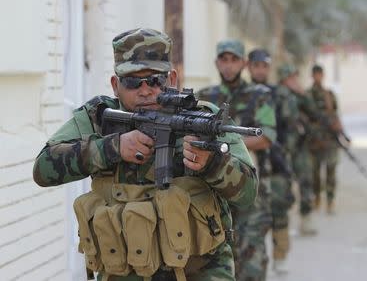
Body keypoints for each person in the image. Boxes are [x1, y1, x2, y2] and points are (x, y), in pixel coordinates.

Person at [33, 28, 258, 281]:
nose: (145, 90)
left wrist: (213, 164)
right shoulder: (98, 118)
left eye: (155, 81)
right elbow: (43, 168)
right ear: (116, 85)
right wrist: (111, 148)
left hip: (201, 272)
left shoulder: (203, 118)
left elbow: (248, 193)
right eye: (132, 82)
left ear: (172, 79)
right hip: (123, 272)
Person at [197, 40, 277, 281]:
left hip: (252, 188)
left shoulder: (260, 95)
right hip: (215, 190)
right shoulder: (205, 97)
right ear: (216, 63)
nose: (229, 66)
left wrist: (224, 147)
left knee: (251, 255)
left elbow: (266, 137)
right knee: (216, 256)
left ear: (244, 63)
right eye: (224, 60)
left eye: (234, 60)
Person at [247, 49, 295, 273]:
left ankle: (281, 254)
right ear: (250, 67)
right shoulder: (244, 94)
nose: (259, 70)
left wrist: (284, 155)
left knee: (279, 210)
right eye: (256, 65)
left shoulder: (279, 95)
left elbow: (289, 129)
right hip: (250, 166)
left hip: (275, 162)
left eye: (264, 66)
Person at [275, 63, 320, 235]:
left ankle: (306, 219)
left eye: (295, 77)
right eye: (291, 77)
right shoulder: (276, 94)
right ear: (284, 78)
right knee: (283, 184)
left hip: (299, 145)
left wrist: (302, 94)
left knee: (306, 180)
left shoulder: (299, 95)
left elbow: (314, 112)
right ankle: (281, 222)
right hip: (282, 147)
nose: (294, 80)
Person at [307, 64, 342, 215]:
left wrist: (340, 131)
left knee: (331, 170)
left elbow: (335, 115)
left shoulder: (329, 94)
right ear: (312, 75)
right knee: (315, 172)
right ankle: (316, 197)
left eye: (320, 74)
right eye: (315, 74)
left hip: (329, 140)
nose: (318, 77)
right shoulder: (307, 95)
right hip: (314, 141)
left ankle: (330, 200)